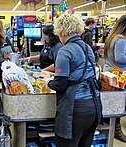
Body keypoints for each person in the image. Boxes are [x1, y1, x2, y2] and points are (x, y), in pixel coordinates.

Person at [46, 13, 102, 147]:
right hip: (94, 106)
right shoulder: (87, 47)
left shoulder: (65, 51)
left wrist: (47, 82)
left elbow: (60, 85)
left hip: (74, 110)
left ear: (62, 31)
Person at [103, 15, 126, 142]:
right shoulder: (121, 39)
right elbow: (120, 58)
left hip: (111, 75)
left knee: (113, 103)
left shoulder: (112, 37)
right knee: (119, 104)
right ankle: (117, 130)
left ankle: (113, 128)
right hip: (118, 76)